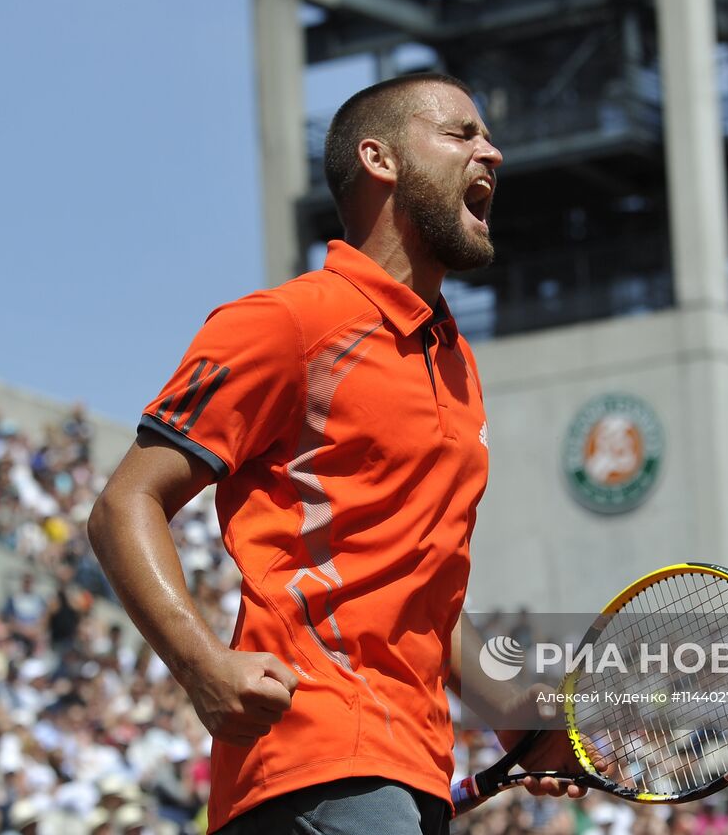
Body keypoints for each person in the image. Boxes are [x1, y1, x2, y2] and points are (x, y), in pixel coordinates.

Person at [89, 73, 583, 834]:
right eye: (460, 133)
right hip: (317, 756)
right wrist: (199, 666)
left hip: (410, 767)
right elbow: (126, 503)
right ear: (379, 159)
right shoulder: (288, 322)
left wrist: (508, 709)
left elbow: (415, 580)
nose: (493, 152)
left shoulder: (456, 362)